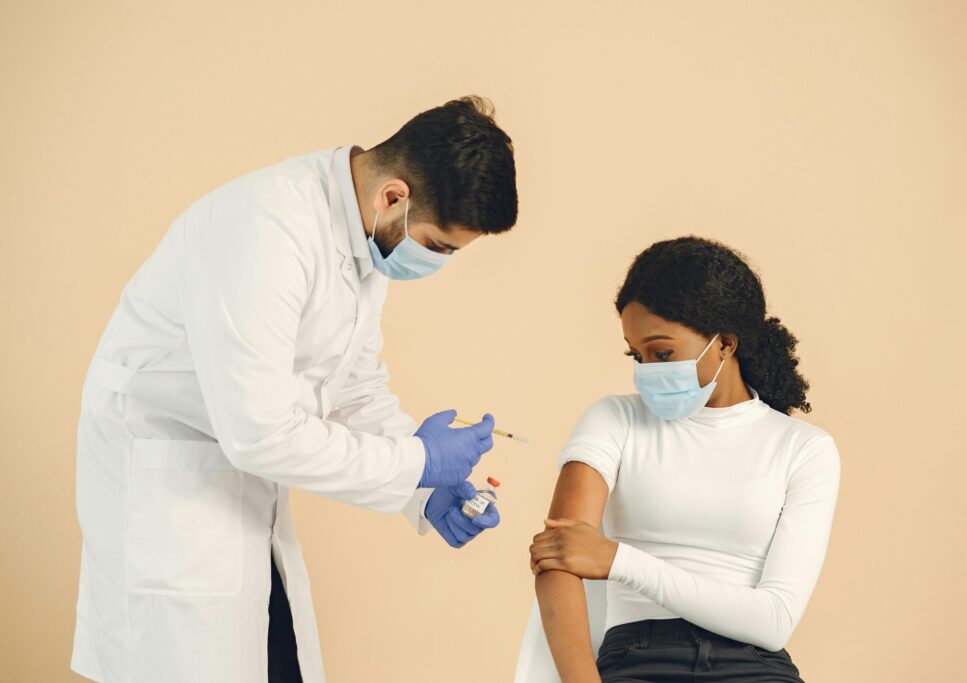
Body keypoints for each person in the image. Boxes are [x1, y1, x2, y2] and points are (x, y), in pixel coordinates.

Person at [71, 96, 517, 683]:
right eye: (437, 246)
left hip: (238, 493)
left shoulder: (364, 238)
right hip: (172, 499)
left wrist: (423, 489)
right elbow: (259, 432)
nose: (437, 263)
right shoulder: (265, 228)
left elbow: (354, 387)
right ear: (394, 197)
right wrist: (416, 459)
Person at [530, 236, 841, 682]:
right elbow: (560, 559)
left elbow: (774, 620)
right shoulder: (613, 419)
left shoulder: (803, 449)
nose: (647, 370)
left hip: (753, 668)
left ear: (725, 344)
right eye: (636, 355)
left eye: (662, 353)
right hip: (636, 661)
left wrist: (620, 561)